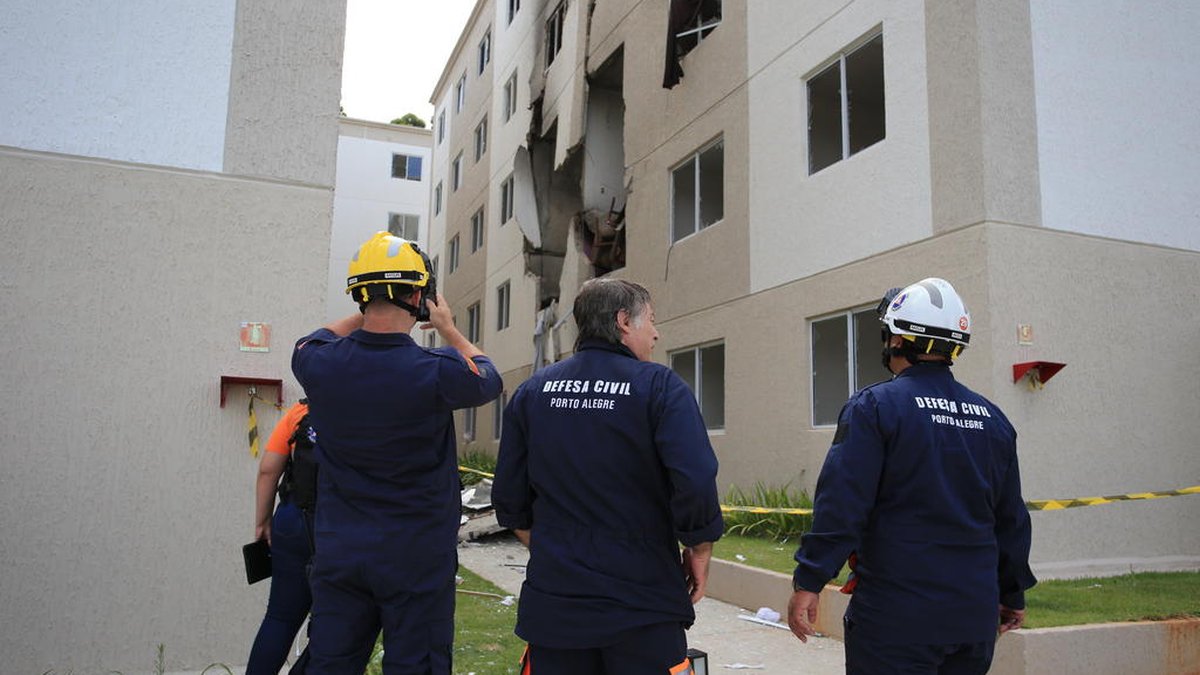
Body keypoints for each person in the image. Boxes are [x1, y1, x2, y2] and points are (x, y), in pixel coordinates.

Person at [788, 277, 1036, 674]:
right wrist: (1012, 592)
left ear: (897, 341)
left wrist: (809, 580)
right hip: (972, 618)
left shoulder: (874, 408)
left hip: (897, 618)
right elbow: (1011, 521)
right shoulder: (993, 420)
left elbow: (842, 504)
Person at [292, 231, 502, 674]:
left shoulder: (318, 363)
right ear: (418, 296)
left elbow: (312, 339)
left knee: (329, 664)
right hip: (415, 557)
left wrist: (369, 306)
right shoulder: (438, 372)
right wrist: (446, 327)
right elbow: (487, 375)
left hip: (340, 551)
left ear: (360, 296)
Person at [493, 278, 723, 675]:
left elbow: (510, 502)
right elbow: (696, 479)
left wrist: (556, 547)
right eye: (650, 320)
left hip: (556, 608)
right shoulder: (661, 387)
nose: (656, 332)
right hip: (642, 607)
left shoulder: (533, 392)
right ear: (623, 322)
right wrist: (699, 547)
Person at [246, 399, 316, 675]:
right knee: (338, 625)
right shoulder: (360, 411)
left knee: (279, 618)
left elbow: (267, 471)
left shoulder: (301, 412)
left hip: (292, 521)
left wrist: (262, 522)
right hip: (338, 529)